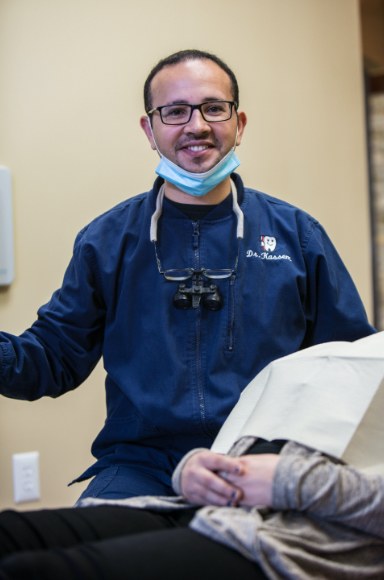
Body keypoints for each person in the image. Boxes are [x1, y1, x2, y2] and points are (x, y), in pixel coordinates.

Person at [0, 49, 376, 502]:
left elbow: (349, 366)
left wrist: (295, 465)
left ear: (239, 124)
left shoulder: (298, 235)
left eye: (214, 108)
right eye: (175, 111)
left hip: (263, 460)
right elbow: (51, 360)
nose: (196, 126)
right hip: (141, 464)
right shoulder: (107, 241)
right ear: (150, 129)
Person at [0, 439, 383, 579]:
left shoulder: (303, 256)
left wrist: (292, 480)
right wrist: (195, 468)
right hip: (201, 497)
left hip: (302, 536)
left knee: (36, 572)